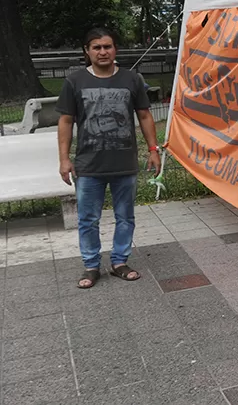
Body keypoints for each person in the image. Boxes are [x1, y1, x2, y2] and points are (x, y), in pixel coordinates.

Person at [57, 28, 161, 289]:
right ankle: (91, 266)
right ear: (87, 51)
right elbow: (66, 121)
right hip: (89, 165)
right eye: (96, 47)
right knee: (87, 219)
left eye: (107, 46)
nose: (102, 52)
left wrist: (153, 149)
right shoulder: (75, 81)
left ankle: (119, 262)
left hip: (124, 163)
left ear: (115, 50)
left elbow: (145, 115)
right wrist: (64, 159)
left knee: (125, 216)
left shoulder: (131, 79)